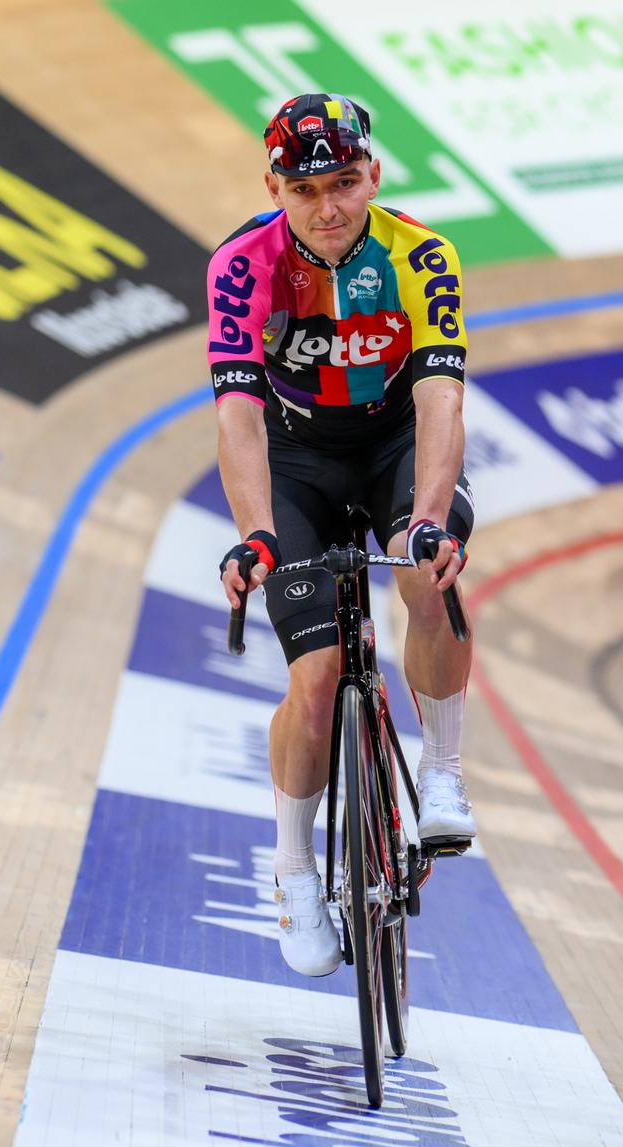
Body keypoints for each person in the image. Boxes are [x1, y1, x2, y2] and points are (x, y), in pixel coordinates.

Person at [207, 93, 476, 978]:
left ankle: (442, 768)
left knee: (425, 576)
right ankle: (292, 868)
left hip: (398, 443)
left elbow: (440, 398)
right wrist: (255, 535)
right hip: (298, 462)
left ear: (375, 175)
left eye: (346, 184)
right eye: (305, 188)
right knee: (315, 676)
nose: (328, 208)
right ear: (275, 186)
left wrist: (429, 515)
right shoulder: (243, 264)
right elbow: (239, 415)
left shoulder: (422, 257)